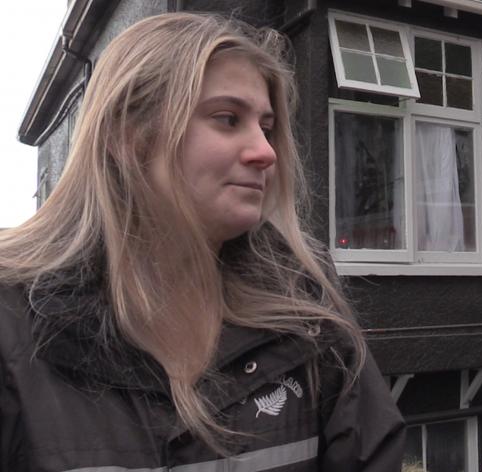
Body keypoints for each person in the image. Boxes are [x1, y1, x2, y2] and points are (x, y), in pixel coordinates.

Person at [0, 13, 403, 471]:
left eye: (266, 127)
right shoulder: (13, 320)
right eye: (228, 119)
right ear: (127, 136)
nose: (266, 151)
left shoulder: (308, 307)